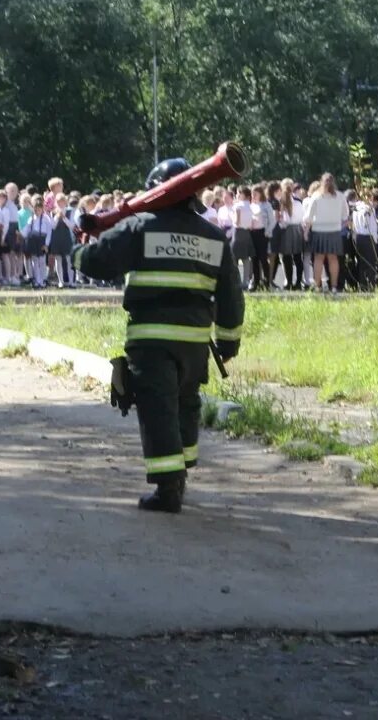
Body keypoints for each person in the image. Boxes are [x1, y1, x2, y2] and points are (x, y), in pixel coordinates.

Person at [73, 157, 244, 514]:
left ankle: (169, 489)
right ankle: (181, 471)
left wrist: (77, 249)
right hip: (195, 343)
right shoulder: (213, 236)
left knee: (157, 408)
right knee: (185, 403)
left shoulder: (140, 227)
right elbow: (231, 293)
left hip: (151, 338)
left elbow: (97, 263)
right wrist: (228, 342)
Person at [302, 172, 348, 292]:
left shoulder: (316, 196)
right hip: (335, 230)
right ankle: (333, 287)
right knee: (333, 259)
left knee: (318, 259)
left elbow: (308, 217)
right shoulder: (340, 196)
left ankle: (317, 287)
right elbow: (345, 215)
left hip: (319, 230)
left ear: (321, 182)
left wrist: (306, 231)